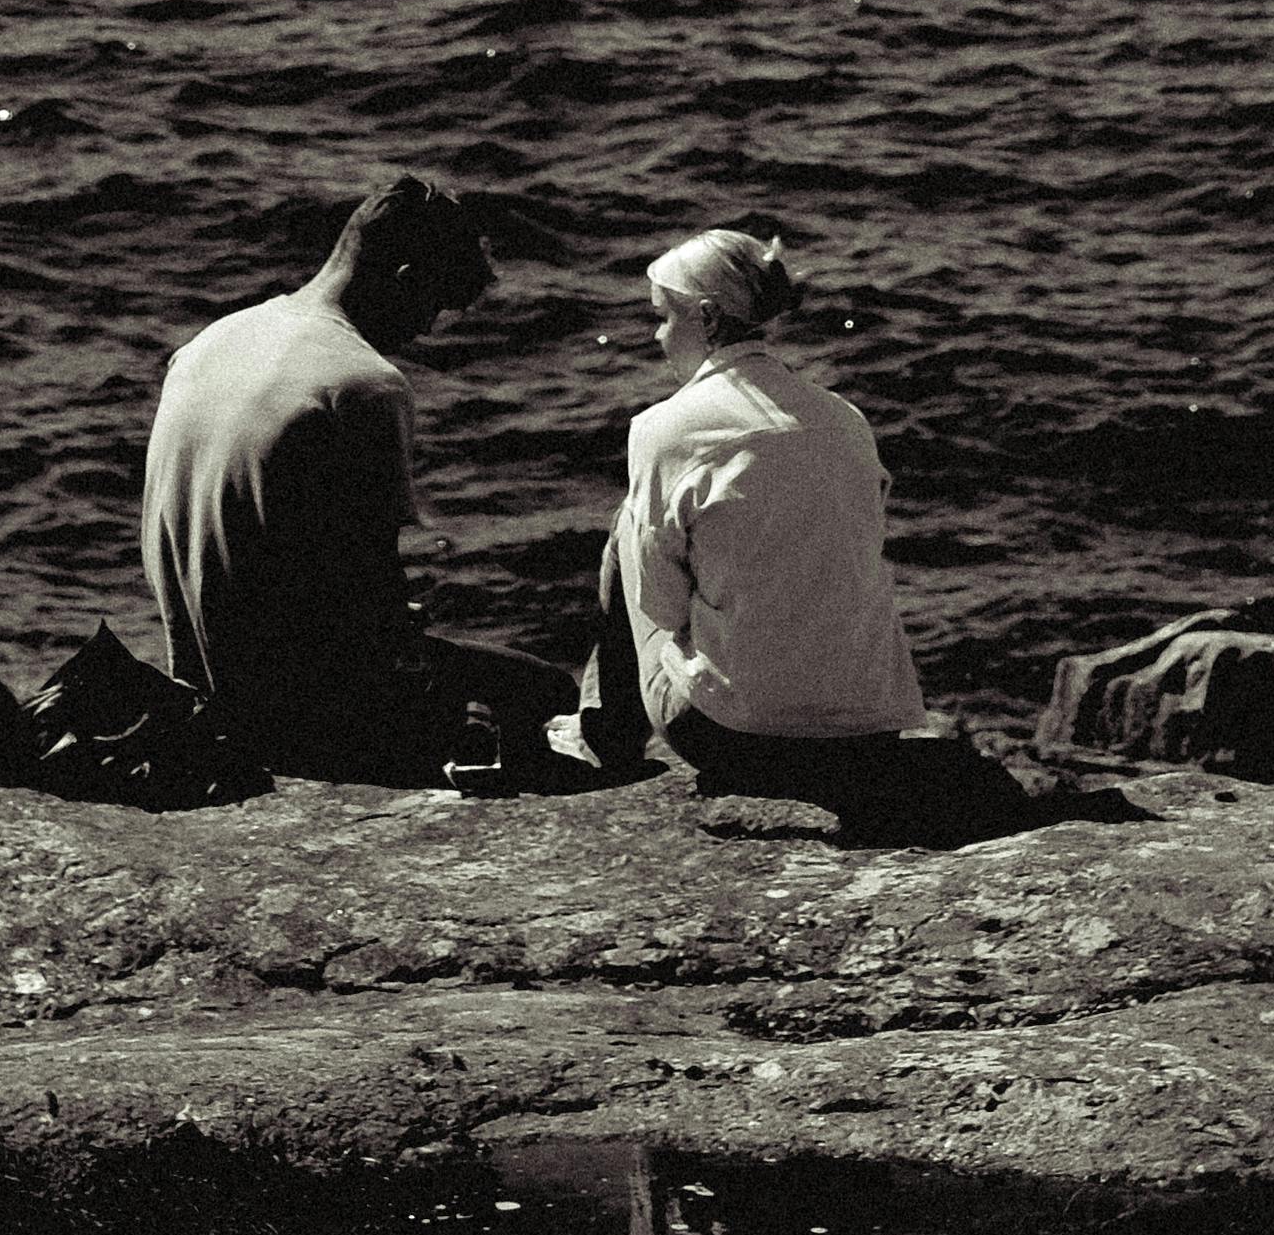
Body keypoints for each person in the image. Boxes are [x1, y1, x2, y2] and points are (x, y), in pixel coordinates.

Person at [141, 174, 562, 780]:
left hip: (200, 686)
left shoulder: (212, 342)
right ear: (406, 280)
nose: (426, 330)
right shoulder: (362, 385)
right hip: (301, 721)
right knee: (541, 689)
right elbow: (373, 609)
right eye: (435, 307)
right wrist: (397, 619)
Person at [581, 222, 926, 785]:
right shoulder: (846, 419)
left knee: (629, 526)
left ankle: (607, 740)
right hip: (868, 733)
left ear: (709, 318)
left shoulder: (662, 431)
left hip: (739, 739)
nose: (657, 336)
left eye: (664, 317)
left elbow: (662, 610)